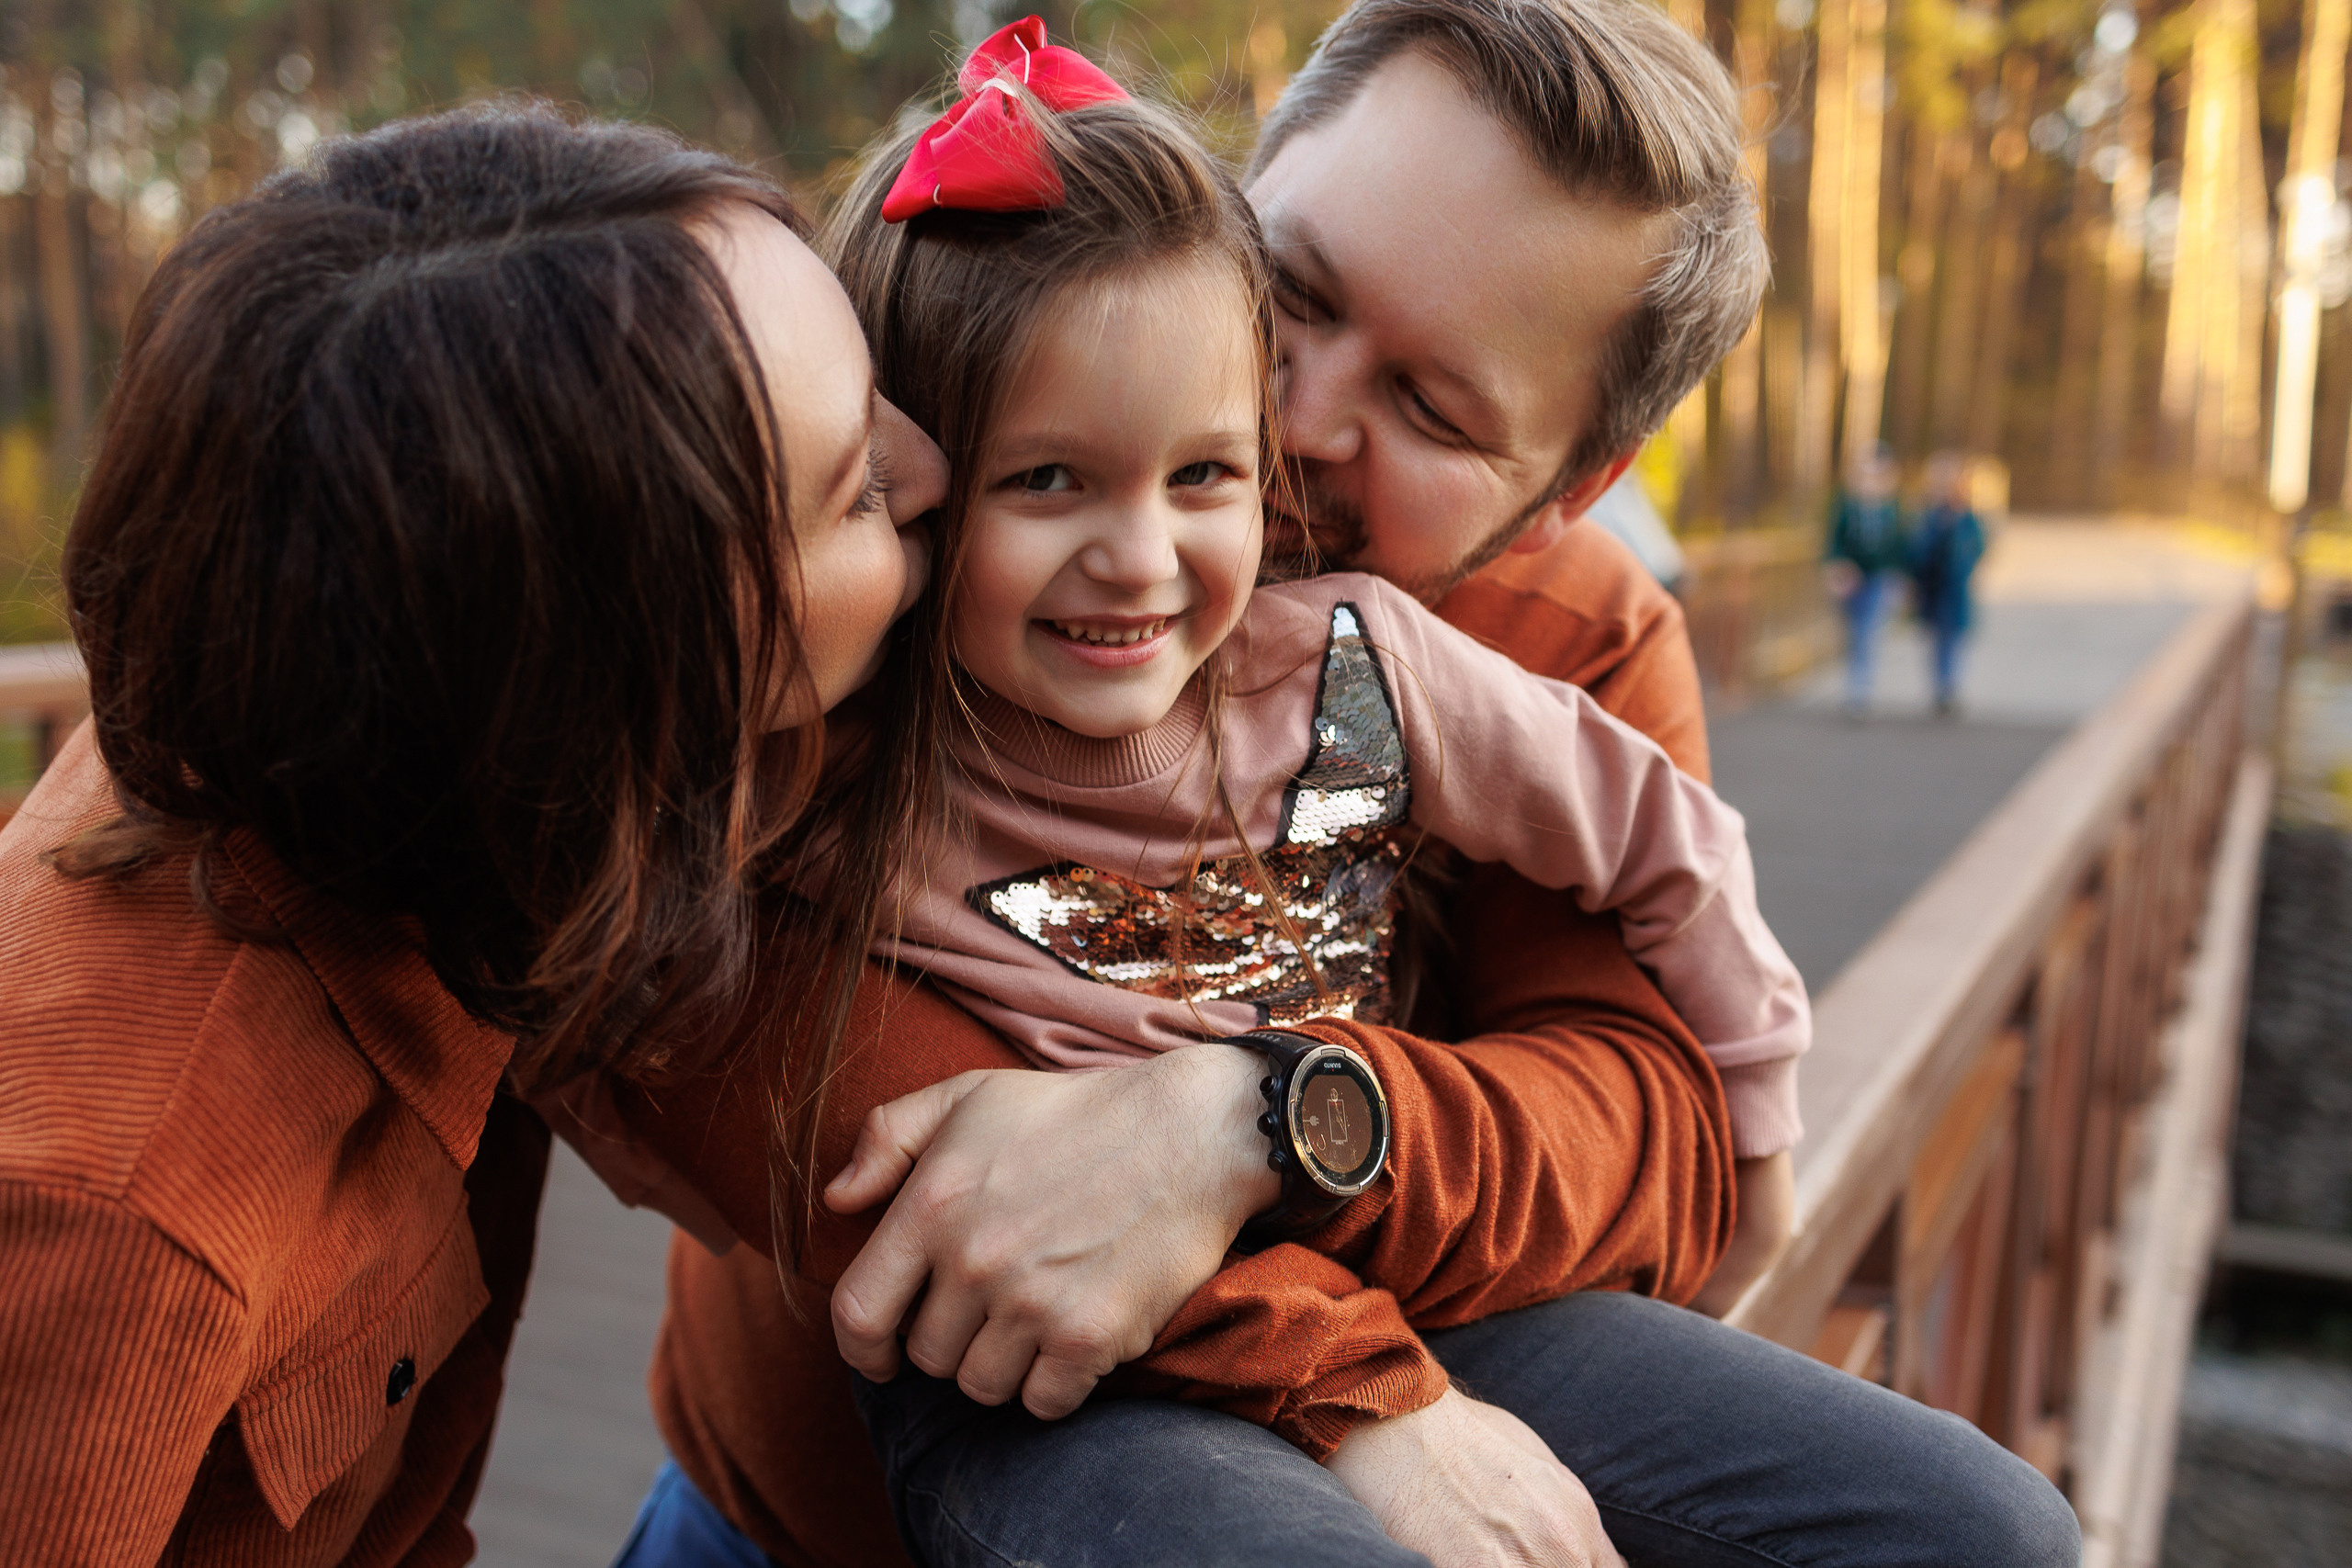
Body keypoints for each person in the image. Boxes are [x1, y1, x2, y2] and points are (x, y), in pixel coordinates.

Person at [612, 7, 2081, 1568]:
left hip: (1378, 1334)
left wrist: (1251, 1119)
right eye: (1292, 291)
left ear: (1568, 492)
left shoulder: (1534, 645)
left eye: (1433, 407)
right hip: (839, 1494)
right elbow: (692, 1000)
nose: (1290, 420)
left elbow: (1651, 1117)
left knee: (1986, 1531)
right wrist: (1354, 1391)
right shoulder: (899, 538)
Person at [0, 105, 945, 1562]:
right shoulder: (120, 1212)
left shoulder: (467, 830)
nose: (934, 463)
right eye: (862, 490)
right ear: (618, 676)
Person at [1825, 441, 1906, 716]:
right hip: (1850, 580)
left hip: (1877, 580)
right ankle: (1855, 687)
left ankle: (1858, 692)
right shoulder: (1847, 506)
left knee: (1866, 635)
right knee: (1851, 634)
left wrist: (1899, 577)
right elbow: (1834, 542)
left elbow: (1898, 546)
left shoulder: (1891, 508)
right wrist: (1836, 567)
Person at [1911, 451, 1988, 717]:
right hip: (1934, 588)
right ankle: (1940, 689)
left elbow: (1979, 548)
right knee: (1936, 641)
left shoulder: (1968, 519)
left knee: (1954, 642)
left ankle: (1950, 688)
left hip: (1957, 590)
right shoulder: (1930, 518)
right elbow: (1918, 552)